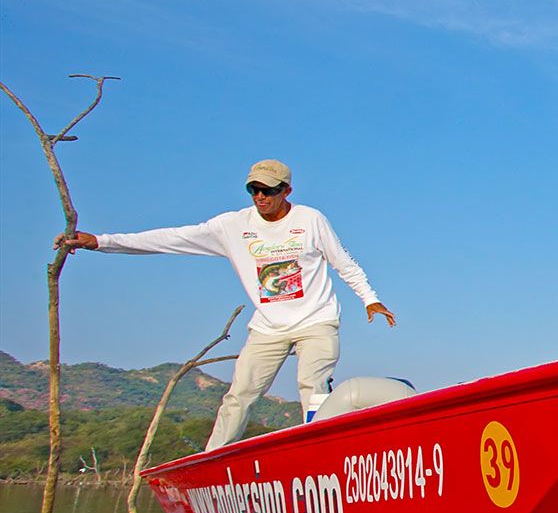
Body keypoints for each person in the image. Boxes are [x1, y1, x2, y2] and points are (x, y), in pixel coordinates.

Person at [57, 159, 395, 450]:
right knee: (240, 394)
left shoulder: (310, 219)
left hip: (316, 320)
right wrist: (100, 242)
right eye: (254, 190)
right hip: (268, 326)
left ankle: (317, 451)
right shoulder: (232, 226)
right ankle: (212, 457)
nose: (261, 197)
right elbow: (170, 239)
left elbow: (343, 263)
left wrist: (371, 299)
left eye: (269, 190)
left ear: (286, 191)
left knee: (314, 386)